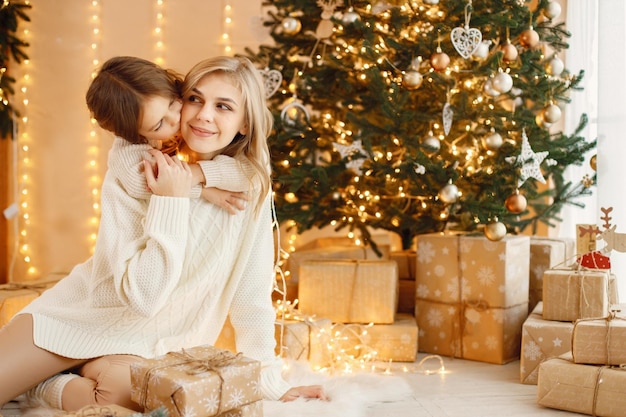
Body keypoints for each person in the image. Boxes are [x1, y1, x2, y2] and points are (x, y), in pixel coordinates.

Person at [0, 55, 325, 411]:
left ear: (245, 123)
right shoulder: (135, 173)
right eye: (195, 99)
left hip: (144, 344)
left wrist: (266, 380)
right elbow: (144, 297)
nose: (203, 115)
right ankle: (35, 375)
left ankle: (41, 385)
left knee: (135, 400)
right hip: (72, 320)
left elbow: (251, 298)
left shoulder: (248, 191)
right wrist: (172, 198)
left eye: (223, 106)